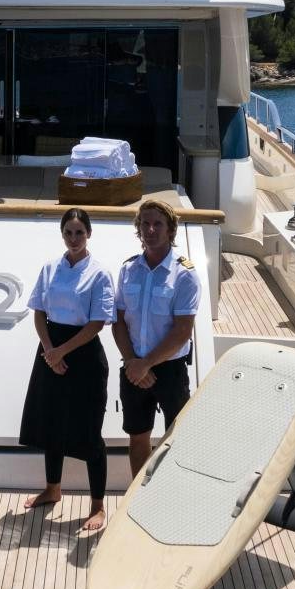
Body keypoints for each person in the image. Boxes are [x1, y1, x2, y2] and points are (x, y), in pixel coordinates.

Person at [18, 208, 116, 533]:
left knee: (89, 432)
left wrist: (61, 351)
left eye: (80, 233)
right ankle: (53, 488)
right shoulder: (50, 268)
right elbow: (38, 313)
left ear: (89, 235)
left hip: (83, 355)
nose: (74, 239)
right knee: (50, 422)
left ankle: (98, 506)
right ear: (62, 235)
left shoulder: (99, 274)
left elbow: (97, 323)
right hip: (49, 350)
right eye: (69, 233)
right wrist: (49, 350)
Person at [112, 199, 200, 476]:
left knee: (177, 441)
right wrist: (131, 362)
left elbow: (183, 330)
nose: (150, 229)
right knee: (137, 438)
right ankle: (137, 498)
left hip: (169, 369)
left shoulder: (184, 275)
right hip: (133, 365)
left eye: (157, 224)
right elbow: (118, 323)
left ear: (170, 231)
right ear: (138, 230)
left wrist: (145, 364)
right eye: (145, 224)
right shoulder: (128, 270)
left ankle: (169, 500)